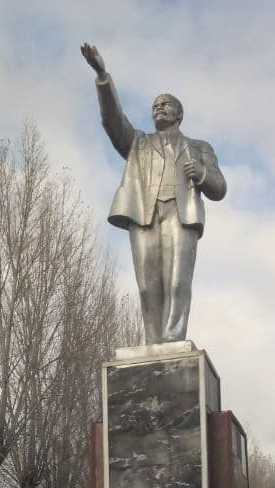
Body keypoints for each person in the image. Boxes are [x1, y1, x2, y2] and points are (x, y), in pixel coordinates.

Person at [81, 42, 226, 345]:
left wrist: (200, 173)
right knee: (148, 287)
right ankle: (152, 344)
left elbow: (219, 187)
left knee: (176, 283)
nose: (157, 107)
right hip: (145, 214)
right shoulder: (138, 143)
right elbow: (113, 121)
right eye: (155, 104)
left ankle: (173, 342)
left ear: (179, 113)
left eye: (165, 103)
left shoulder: (199, 147)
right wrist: (102, 76)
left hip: (180, 213)